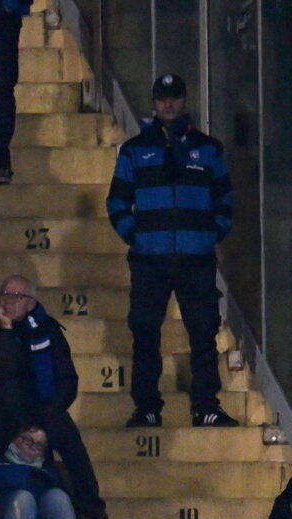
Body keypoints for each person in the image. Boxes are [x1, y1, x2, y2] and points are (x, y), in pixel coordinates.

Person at [107, 75, 237, 429]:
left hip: (196, 258)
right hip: (150, 260)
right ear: (153, 102)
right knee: (146, 331)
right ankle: (147, 408)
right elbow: (117, 199)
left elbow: (226, 199)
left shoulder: (209, 149)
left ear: (183, 100)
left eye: (174, 98)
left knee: (203, 332)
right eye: (162, 98)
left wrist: (211, 234)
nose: (168, 104)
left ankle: (206, 406)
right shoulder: (136, 150)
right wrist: (136, 236)